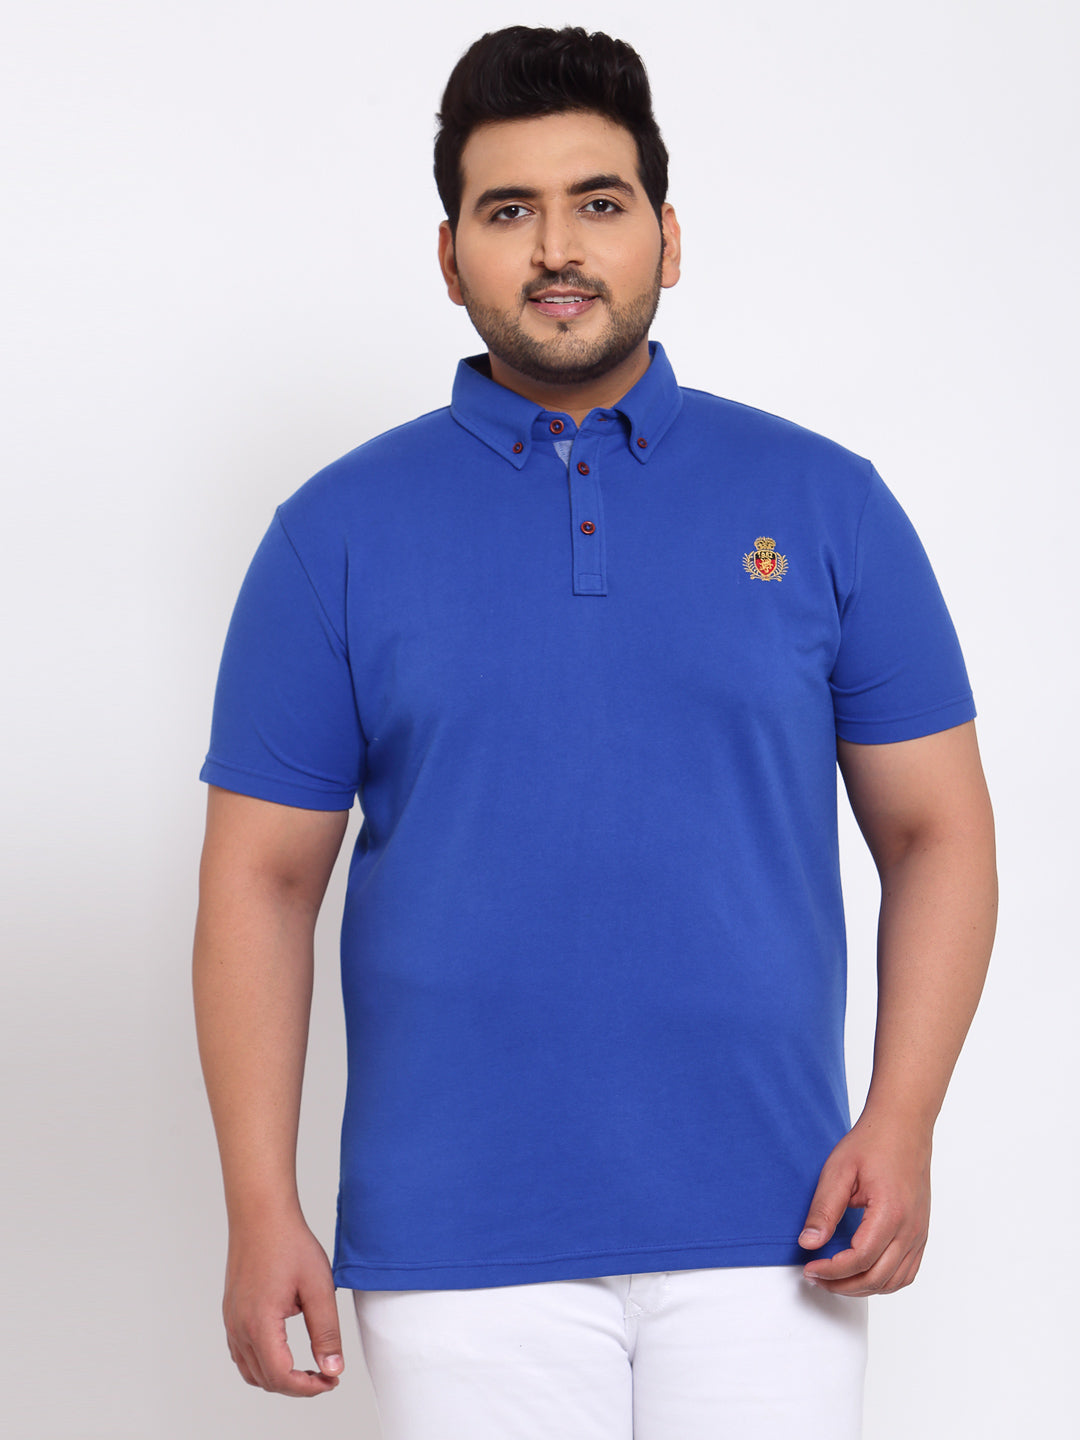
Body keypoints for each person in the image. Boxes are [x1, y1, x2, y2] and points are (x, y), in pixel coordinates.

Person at [193, 24, 997, 1440]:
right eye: (509, 210)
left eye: (599, 202)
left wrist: (904, 1117)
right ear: (452, 258)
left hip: (778, 1222)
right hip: (455, 1241)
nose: (557, 248)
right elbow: (261, 883)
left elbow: (939, 833)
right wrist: (260, 1206)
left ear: (667, 239)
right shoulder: (332, 537)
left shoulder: (828, 505)